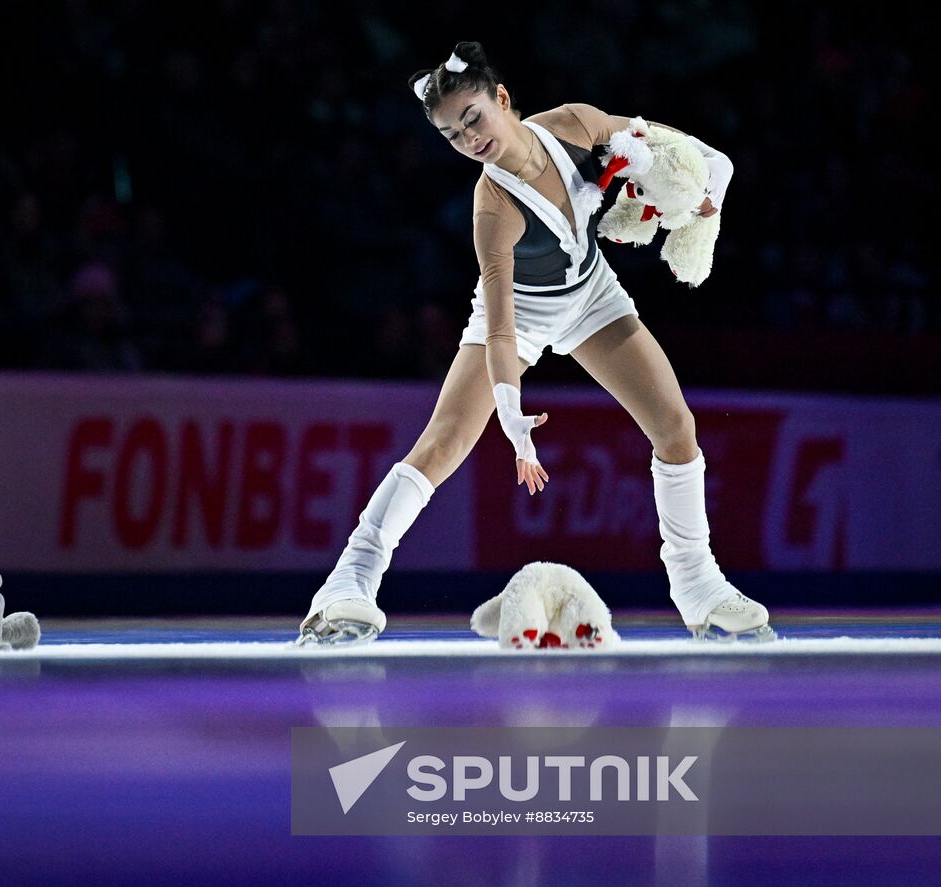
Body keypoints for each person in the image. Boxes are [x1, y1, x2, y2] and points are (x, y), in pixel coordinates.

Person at [296, 41, 772, 647]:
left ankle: (699, 586)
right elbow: (498, 327)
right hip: (520, 317)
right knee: (443, 443)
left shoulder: (574, 124)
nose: (469, 139)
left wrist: (713, 180)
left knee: (676, 427)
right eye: (451, 134)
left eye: (473, 118)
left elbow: (678, 149)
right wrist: (511, 411)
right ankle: (348, 581)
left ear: (502, 98)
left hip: (592, 293)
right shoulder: (491, 206)